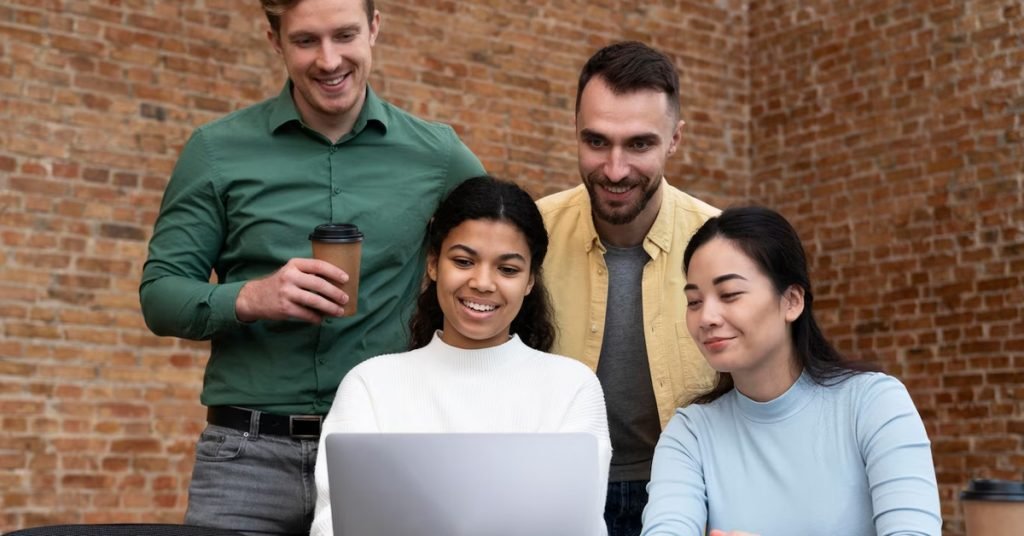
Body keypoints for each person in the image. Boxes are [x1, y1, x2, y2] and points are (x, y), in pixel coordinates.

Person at [138, 0, 485, 533]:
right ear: (275, 40)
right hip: (244, 457)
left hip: (381, 450)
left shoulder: (437, 154)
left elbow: (503, 248)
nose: (329, 60)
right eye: (306, 41)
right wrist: (251, 298)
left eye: (345, 35)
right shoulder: (216, 150)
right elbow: (160, 295)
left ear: (374, 28)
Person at [310, 176, 612, 536]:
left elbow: (577, 525)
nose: (483, 282)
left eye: (508, 269)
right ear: (434, 264)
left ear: (531, 281)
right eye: (464, 261)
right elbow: (333, 525)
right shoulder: (370, 384)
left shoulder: (572, 387)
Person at [641, 206, 942, 536]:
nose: (707, 317)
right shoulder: (690, 434)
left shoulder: (873, 404)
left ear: (792, 301)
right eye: (694, 301)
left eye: (729, 295)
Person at [537, 41, 718, 535]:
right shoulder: (529, 238)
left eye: (639, 144)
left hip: (691, 494)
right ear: (574, 132)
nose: (615, 170)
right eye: (596, 142)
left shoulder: (723, 247)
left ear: (675, 139)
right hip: (553, 493)